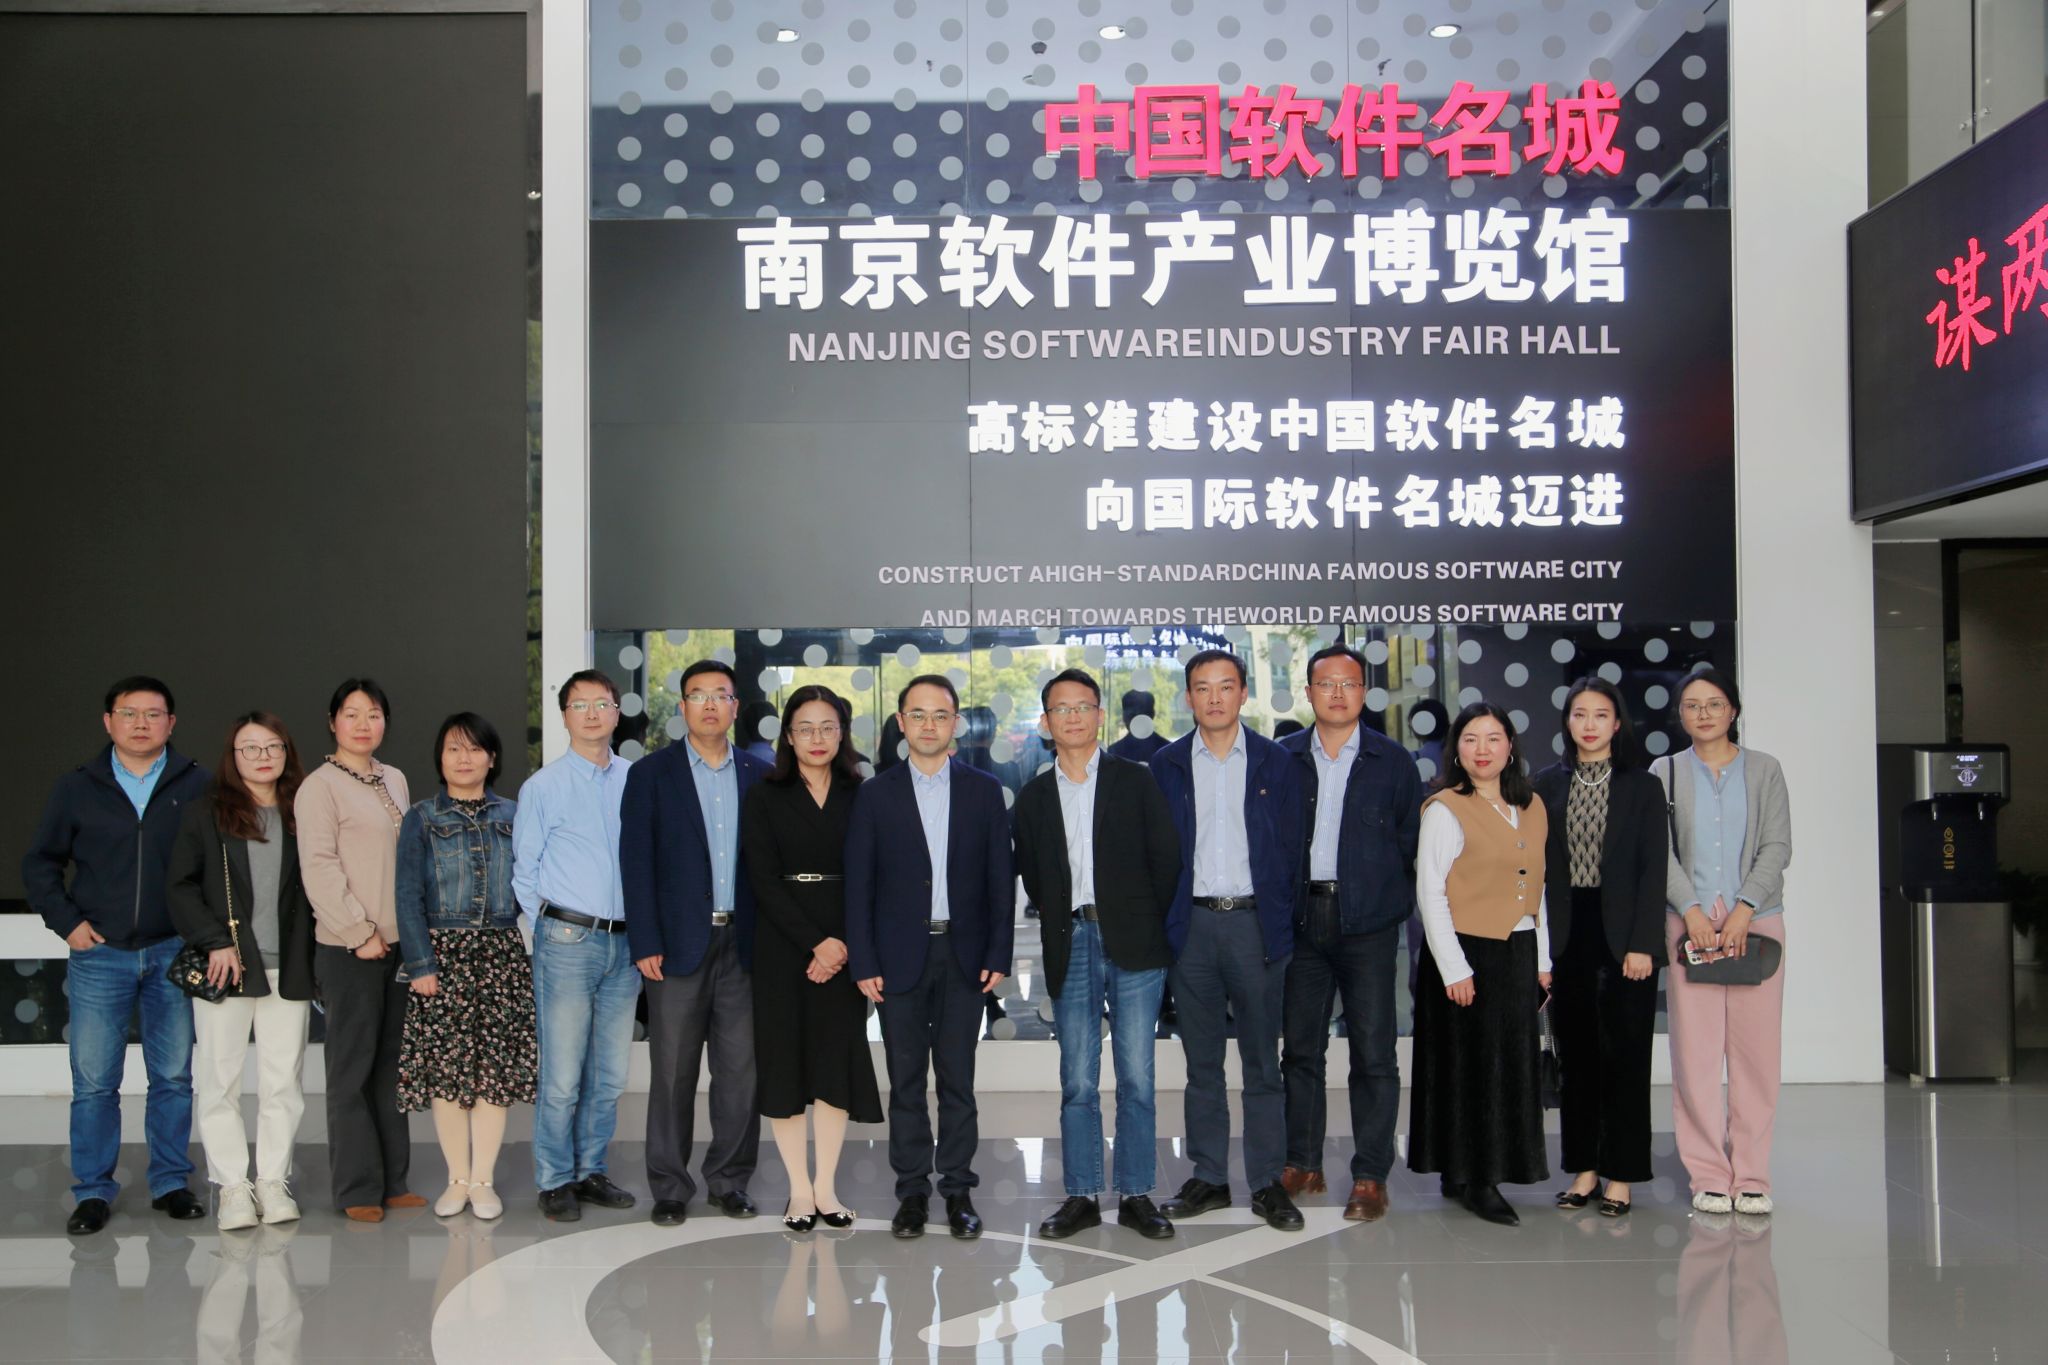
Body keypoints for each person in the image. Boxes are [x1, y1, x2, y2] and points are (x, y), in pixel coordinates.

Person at [26, 676, 211, 1234]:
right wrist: (67, 923)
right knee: (94, 1083)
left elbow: (218, 866)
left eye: (152, 714)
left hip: (172, 951)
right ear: (108, 722)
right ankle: (92, 1191)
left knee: (173, 1077)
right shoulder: (77, 787)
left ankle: (171, 1182)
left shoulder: (198, 784)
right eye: (129, 713)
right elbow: (40, 863)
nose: (140, 724)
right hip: (100, 955)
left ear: (171, 723)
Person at [1012, 668, 1180, 1241]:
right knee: (1078, 1080)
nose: (1073, 717)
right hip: (1071, 940)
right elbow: (1035, 876)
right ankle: (1082, 1194)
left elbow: (1165, 860)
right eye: (1061, 709)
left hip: (1135, 942)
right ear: (1046, 722)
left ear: (1100, 715)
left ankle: (1136, 1194)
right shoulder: (1033, 797)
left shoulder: (1136, 780)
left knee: (1137, 1077)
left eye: (1083, 706)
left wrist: (1140, 918)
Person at [846, 675, 1014, 1241]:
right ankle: (912, 1191)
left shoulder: (983, 791)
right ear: (900, 722)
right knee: (906, 1081)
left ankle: (959, 1189)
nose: (928, 725)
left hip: (965, 956)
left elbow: (1000, 878)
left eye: (939, 715)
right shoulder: (875, 794)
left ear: (955, 724)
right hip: (897, 959)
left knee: (958, 1080)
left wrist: (998, 951)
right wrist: (864, 960)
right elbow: (860, 886)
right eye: (917, 715)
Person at [1148, 650, 1307, 1232]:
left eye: (1225, 686)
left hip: (1253, 925)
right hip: (1191, 928)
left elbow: (1293, 851)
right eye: (1202, 687)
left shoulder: (1275, 761)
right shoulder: (1165, 765)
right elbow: (1155, 852)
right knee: (1202, 1064)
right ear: (1188, 697)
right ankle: (1209, 1177)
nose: (1214, 698)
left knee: (1263, 1063)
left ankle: (1267, 1182)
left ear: (1243, 693)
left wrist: (1280, 922)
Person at [1276, 645, 1422, 1223]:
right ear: (1309, 692)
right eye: (1326, 683)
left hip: (1369, 929)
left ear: (1364, 692)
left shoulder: (1393, 762)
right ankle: (1302, 1163)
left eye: (1349, 683)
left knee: (1374, 1054)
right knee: (1301, 1051)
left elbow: (1411, 848)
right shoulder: (1283, 759)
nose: (1337, 693)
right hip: (1302, 922)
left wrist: (1386, 904)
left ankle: (1370, 1176)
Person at [620, 659, 769, 1226]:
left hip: (744, 945)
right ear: (682, 707)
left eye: (720, 695)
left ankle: (729, 1181)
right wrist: (645, 940)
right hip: (676, 945)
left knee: (740, 1074)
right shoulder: (650, 775)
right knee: (673, 1072)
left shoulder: (760, 775)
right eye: (698, 695)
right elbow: (636, 863)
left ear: (734, 707)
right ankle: (669, 1186)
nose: (709, 704)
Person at [167, 712, 318, 1231]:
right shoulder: (206, 813)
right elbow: (180, 886)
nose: (262, 757)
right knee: (220, 1080)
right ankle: (232, 1185)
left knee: (283, 1082)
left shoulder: (303, 811)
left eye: (272, 746)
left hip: (289, 968)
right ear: (233, 757)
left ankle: (273, 1181)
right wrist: (214, 941)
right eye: (250, 747)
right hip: (227, 967)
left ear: (286, 753)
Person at [741, 685, 880, 1232]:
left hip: (845, 946)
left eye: (827, 727)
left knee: (833, 1064)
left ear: (842, 733)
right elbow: (762, 880)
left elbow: (874, 876)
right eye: (805, 728)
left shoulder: (862, 793)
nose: (816, 738)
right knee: (786, 1065)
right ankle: (799, 1190)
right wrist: (815, 943)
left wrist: (840, 943)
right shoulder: (764, 794)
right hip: (783, 948)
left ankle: (827, 1188)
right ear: (788, 736)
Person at [1407, 702, 1552, 1227]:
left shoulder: (1532, 805)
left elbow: (1539, 889)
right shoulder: (1445, 809)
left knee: (1506, 1066)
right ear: (1456, 750)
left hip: (1517, 951)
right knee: (1468, 1069)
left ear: (1510, 746)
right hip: (1465, 952)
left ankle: (1471, 1169)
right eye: (1471, 739)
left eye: (1493, 738)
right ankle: (1476, 1178)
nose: (1482, 749)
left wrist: (1543, 960)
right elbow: (1430, 892)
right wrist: (1455, 969)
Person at [1655, 667, 1792, 1218]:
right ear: (1681, 715)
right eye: (1692, 705)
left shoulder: (1765, 769)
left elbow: (1777, 845)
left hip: (1756, 923)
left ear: (1733, 710)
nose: (1704, 714)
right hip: (1688, 926)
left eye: (1714, 704)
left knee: (1756, 1057)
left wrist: (1744, 909)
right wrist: (1691, 910)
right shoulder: (1664, 772)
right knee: (1695, 1055)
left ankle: (1752, 1175)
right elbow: (1658, 850)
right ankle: (1709, 1174)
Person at [1532, 678, 1668, 1219]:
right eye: (1579, 714)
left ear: (1617, 723)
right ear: (1567, 722)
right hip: (1569, 934)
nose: (1589, 724)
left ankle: (1623, 1175)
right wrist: (1542, 952)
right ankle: (1584, 1170)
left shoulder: (1643, 786)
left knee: (1626, 1058)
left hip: (1625, 937)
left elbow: (1654, 870)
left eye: (1601, 714)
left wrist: (1644, 944)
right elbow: (1536, 872)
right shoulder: (1545, 784)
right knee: (1578, 1060)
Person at [394, 713, 535, 1221]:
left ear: (491, 758)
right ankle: (456, 1178)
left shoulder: (516, 814)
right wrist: (420, 963)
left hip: (500, 954)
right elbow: (407, 895)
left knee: (493, 1072)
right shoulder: (421, 818)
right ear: (440, 758)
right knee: (448, 1075)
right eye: (454, 749)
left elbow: (532, 882)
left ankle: (483, 1181)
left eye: (475, 749)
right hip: (442, 955)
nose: (464, 758)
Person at [514, 668, 639, 1222]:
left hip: (626, 943)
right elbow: (525, 873)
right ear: (564, 715)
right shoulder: (543, 787)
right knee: (563, 1075)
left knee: (609, 1075)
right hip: (567, 939)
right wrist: (546, 929)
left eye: (602, 703)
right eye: (580, 704)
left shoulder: (636, 780)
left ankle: (591, 1170)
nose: (592, 713)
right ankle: (554, 1179)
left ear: (617, 712)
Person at [296, 678, 417, 1222]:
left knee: (391, 1067)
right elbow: (318, 868)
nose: (363, 723)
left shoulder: (394, 778)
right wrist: (358, 931)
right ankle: (357, 1189)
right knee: (351, 1071)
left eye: (373, 713)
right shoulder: (318, 787)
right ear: (332, 722)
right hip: (350, 949)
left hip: (398, 946)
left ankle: (394, 1181)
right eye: (351, 713)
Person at [1105, 689, 1167, 763]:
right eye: (1133, 716)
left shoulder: (1113, 753)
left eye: (1141, 715)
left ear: (1124, 717)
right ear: (1152, 714)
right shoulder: (1168, 750)